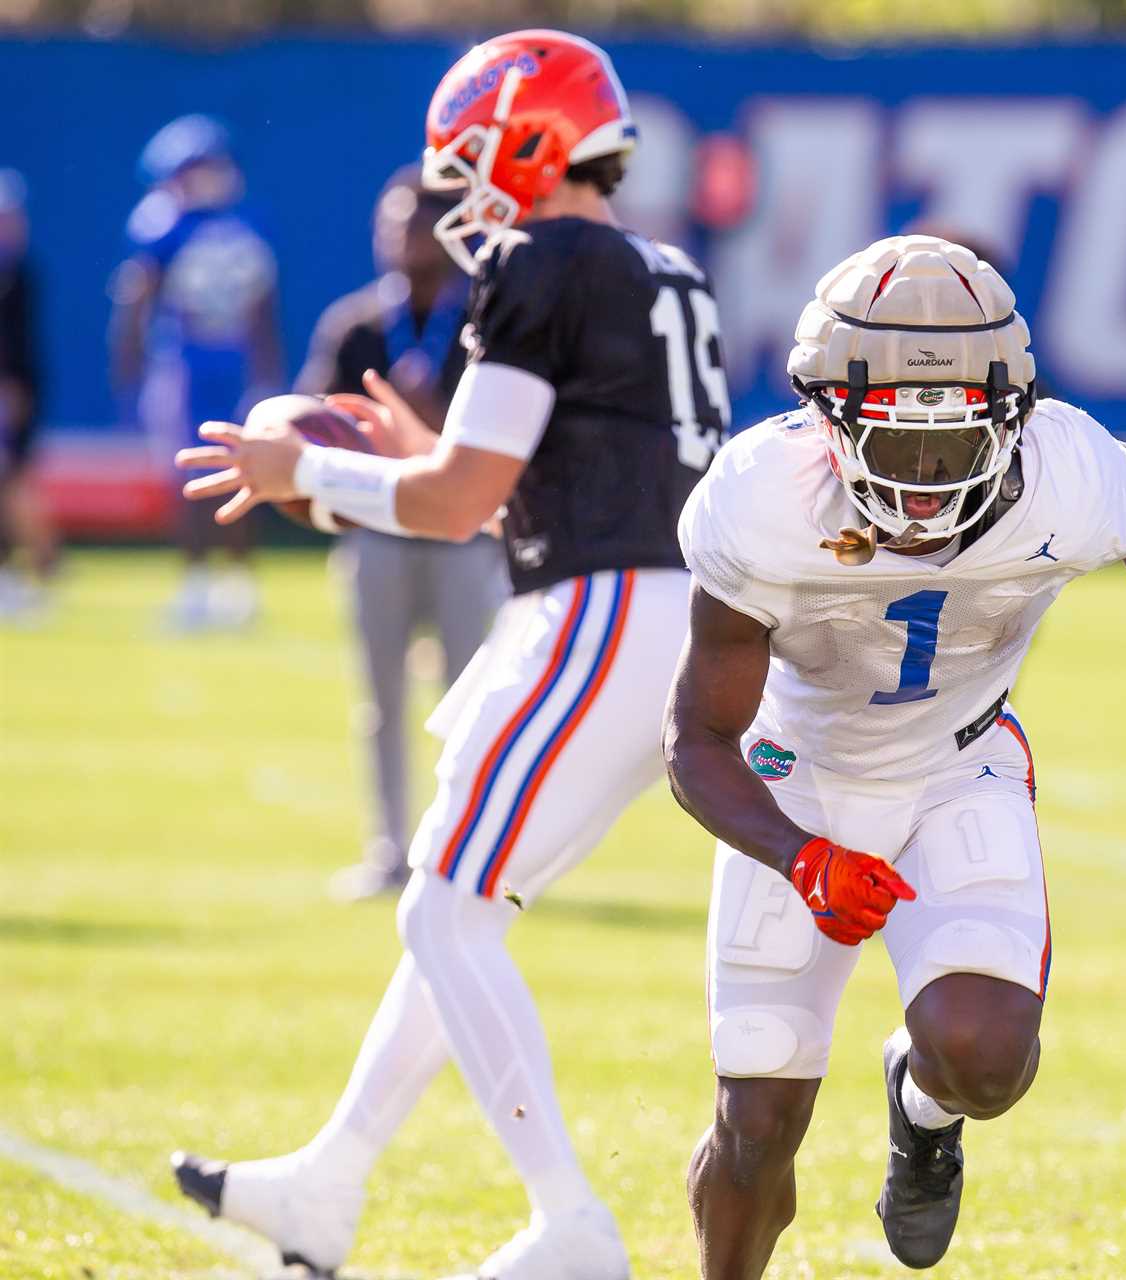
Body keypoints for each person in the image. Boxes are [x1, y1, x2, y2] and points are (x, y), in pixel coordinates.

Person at [169, 30, 729, 1278]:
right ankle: (327, 1179)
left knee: (441, 907)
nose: (452, 188)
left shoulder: (538, 257)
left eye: (467, 156)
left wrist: (301, 469)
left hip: (596, 611)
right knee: (455, 907)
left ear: (526, 141)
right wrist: (403, 455)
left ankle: (569, 1222)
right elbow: (508, 483)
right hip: (664, 612)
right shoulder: (663, 267)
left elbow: (452, 496)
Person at [662, 235, 1126, 1278]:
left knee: (982, 1058)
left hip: (956, 764)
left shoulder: (1064, 470)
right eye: (897, 444)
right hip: (795, 772)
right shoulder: (761, 499)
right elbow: (694, 743)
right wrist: (799, 856)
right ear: (824, 416)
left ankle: (920, 1112)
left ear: (1012, 415)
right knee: (755, 1121)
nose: (923, 483)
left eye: (953, 443)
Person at [295, 166, 509, 901]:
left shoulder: (487, 318)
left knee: (469, 696)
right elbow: (311, 417)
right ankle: (389, 851)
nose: (399, 237)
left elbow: (501, 428)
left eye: (414, 223)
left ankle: (468, 852)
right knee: (380, 698)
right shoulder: (356, 323)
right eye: (389, 223)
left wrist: (434, 415)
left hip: (462, 530)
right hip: (379, 529)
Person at [109, 114, 283, 630]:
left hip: (197, 363)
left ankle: (221, 583)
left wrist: (129, 365)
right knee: (205, 476)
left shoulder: (173, 226)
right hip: (202, 365)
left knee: (225, 474)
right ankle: (215, 583)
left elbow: (136, 303)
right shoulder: (240, 224)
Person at [0, 169, 57, 618]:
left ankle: (43, 566)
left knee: (14, 485)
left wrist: (12, 393)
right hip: (13, 388)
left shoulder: (17, 274)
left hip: (11, 392)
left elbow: (16, 346)